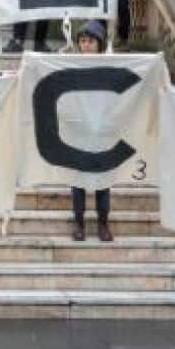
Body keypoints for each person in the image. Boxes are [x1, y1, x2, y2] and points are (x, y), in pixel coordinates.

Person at [70, 20, 114, 242]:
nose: (86, 45)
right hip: (79, 132)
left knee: (102, 182)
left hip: (102, 132)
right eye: (83, 41)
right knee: (78, 182)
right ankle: (78, 223)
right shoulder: (71, 67)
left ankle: (103, 223)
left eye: (90, 41)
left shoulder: (110, 68)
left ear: (100, 44)